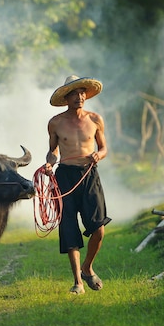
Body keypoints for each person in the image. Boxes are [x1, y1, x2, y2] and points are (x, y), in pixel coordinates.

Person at [44, 75, 112, 294]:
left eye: (82, 92)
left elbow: (103, 148)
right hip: (64, 176)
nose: (80, 96)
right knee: (69, 228)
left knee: (99, 229)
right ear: (66, 98)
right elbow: (54, 151)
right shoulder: (55, 122)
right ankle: (77, 282)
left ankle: (87, 267)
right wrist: (48, 163)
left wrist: (98, 156)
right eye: (74, 93)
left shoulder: (95, 119)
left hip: (89, 174)